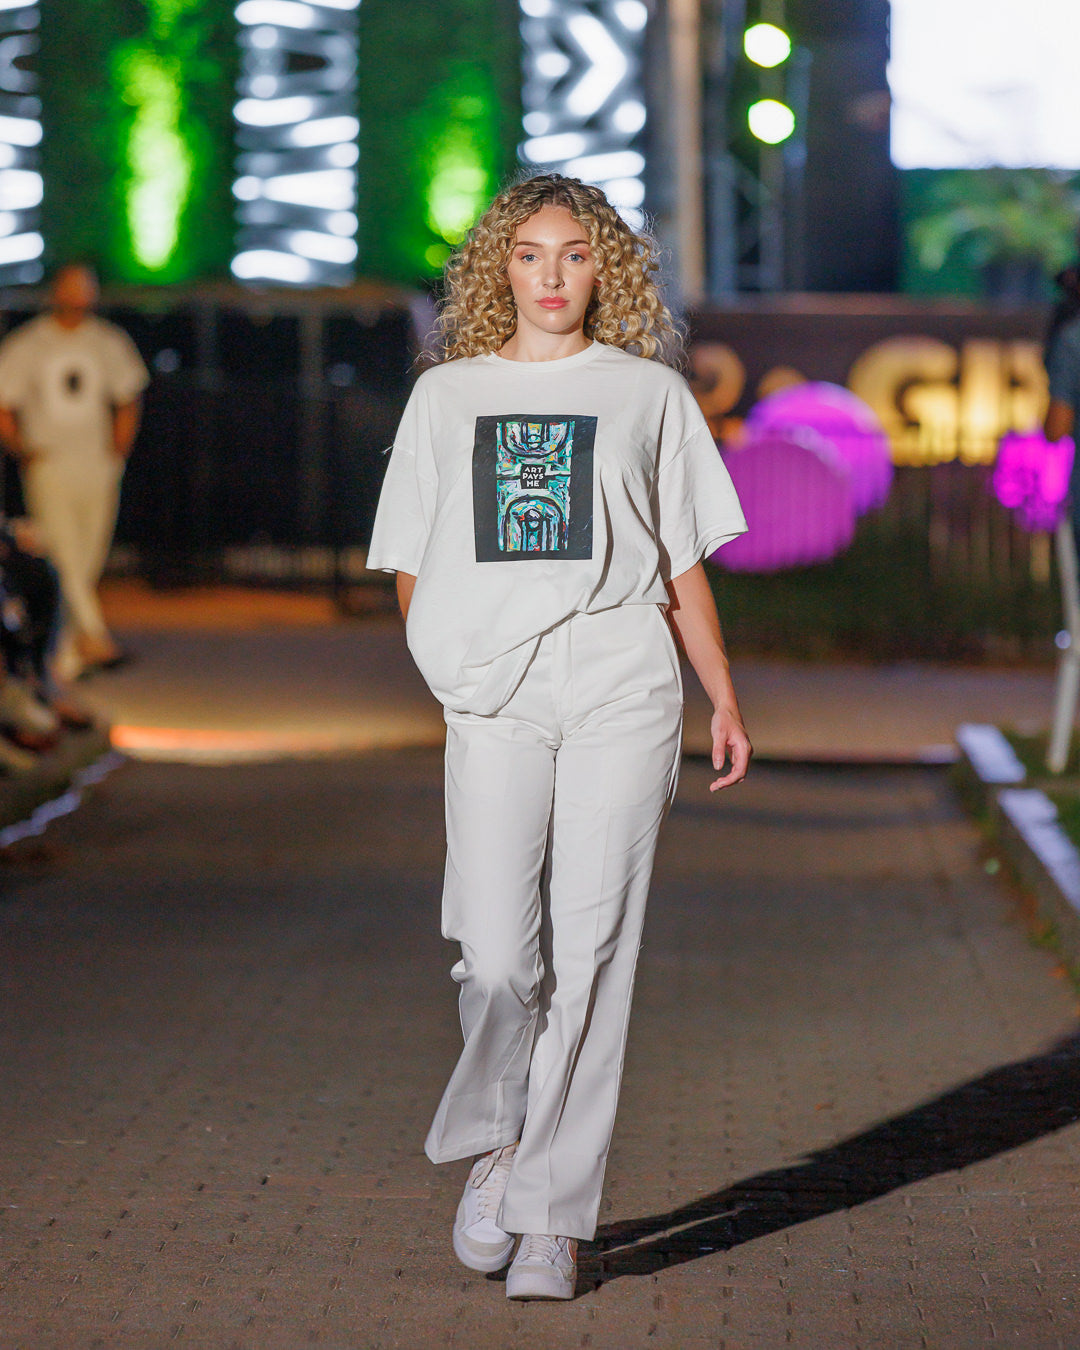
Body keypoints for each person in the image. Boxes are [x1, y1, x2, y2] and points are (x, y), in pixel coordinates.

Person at [366, 174, 751, 1302]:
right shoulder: (447, 396)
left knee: (592, 955)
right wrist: (446, 670)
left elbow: (680, 560)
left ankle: (551, 1214)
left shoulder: (648, 396)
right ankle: (499, 1139)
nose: (549, 276)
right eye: (528, 254)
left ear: (606, 269)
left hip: (622, 681)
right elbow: (408, 558)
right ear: (499, 267)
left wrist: (720, 691)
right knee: (495, 956)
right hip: (493, 694)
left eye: (573, 255)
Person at [0, 263, 149, 678]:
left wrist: (119, 447)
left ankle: (61, 655)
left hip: (95, 462)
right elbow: (4, 402)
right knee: (61, 549)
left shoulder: (107, 341)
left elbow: (128, 396)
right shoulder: (28, 343)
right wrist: (22, 449)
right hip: (50, 461)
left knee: (89, 554)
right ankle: (95, 634)